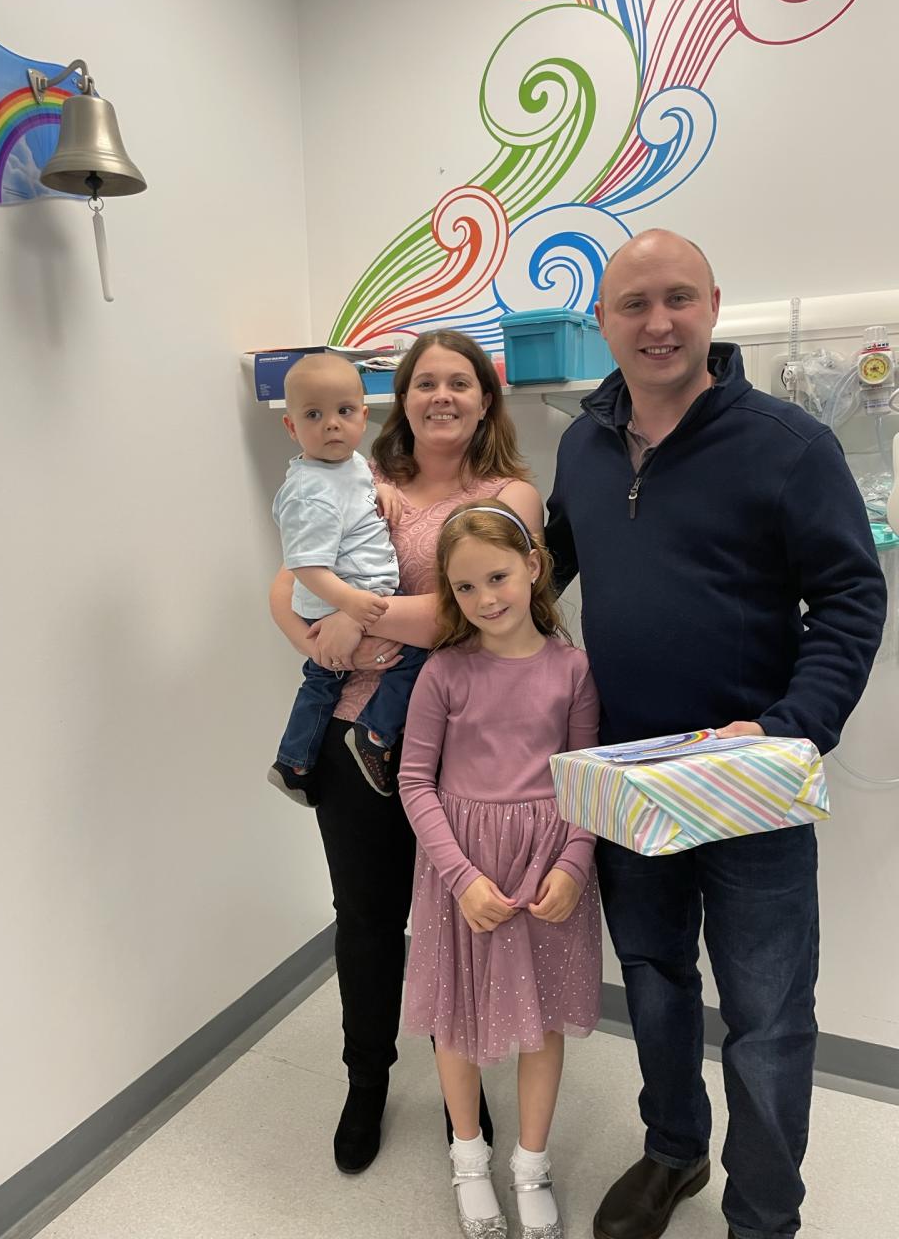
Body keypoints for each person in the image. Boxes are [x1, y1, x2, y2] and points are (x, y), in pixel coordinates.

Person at [544, 229, 887, 1239]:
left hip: (752, 786)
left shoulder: (790, 446)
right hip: (627, 782)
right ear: (601, 321)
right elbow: (536, 577)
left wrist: (789, 733)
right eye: (634, 303)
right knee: (652, 981)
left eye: (678, 298)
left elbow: (851, 600)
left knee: (769, 1019)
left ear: (713, 306)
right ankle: (674, 1151)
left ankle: (765, 1214)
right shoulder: (580, 444)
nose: (658, 321)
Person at [269, 330, 543, 1174]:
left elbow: (463, 617)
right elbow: (286, 582)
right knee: (368, 921)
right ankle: (366, 1081)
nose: (442, 396)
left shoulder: (512, 496)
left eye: (460, 382)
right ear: (404, 397)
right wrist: (321, 638)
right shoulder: (362, 478)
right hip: (361, 736)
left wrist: (361, 613)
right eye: (426, 382)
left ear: (484, 398)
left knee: (455, 925)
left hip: (470, 748)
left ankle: (462, 1095)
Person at [399, 501, 601, 1239]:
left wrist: (575, 864)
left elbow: (583, 777)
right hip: (466, 871)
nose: (486, 598)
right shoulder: (443, 673)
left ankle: (531, 1166)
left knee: (541, 1022)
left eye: (498, 577)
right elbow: (415, 783)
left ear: (533, 569)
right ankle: (468, 1160)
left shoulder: (574, 669)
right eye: (465, 588)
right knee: (456, 1020)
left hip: (547, 869)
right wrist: (460, 877)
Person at [267, 354, 427, 802]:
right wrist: (353, 608)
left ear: (363, 413)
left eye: (344, 411)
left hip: (354, 596)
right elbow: (304, 565)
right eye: (314, 415)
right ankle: (375, 735)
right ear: (292, 427)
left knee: (321, 680)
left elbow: (354, 496)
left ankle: (294, 761)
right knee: (413, 655)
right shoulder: (308, 492)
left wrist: (383, 489)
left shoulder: (350, 465)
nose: (332, 425)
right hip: (346, 598)